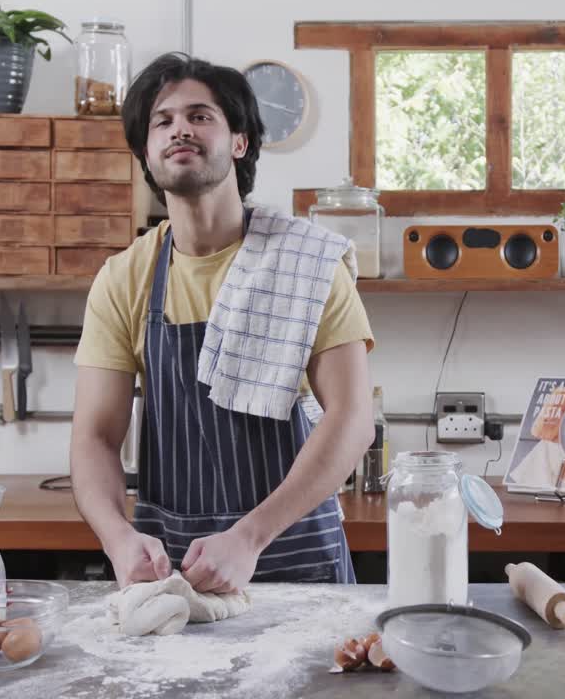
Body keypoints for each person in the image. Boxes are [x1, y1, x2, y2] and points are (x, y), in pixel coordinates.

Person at [69, 52, 375, 593]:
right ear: (146, 151)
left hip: (296, 550)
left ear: (240, 141)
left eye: (199, 116)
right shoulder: (124, 279)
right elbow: (95, 436)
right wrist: (118, 538)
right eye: (161, 121)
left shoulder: (309, 262)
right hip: (175, 568)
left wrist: (249, 538)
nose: (179, 129)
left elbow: (351, 419)